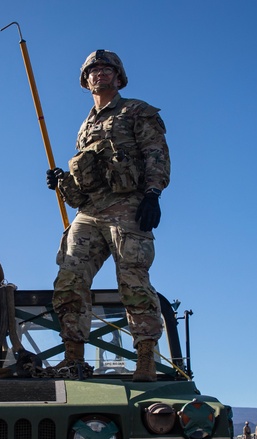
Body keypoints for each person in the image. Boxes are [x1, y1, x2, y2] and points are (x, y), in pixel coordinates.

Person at [46, 50, 171, 382]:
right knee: (69, 278)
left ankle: (145, 358)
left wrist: (153, 194)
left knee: (132, 281)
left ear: (118, 77)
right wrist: (63, 184)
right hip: (90, 210)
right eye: (93, 70)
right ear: (86, 81)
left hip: (127, 206)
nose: (99, 73)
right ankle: (73, 355)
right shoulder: (86, 125)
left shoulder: (136, 111)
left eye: (106, 69)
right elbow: (84, 185)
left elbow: (154, 153)